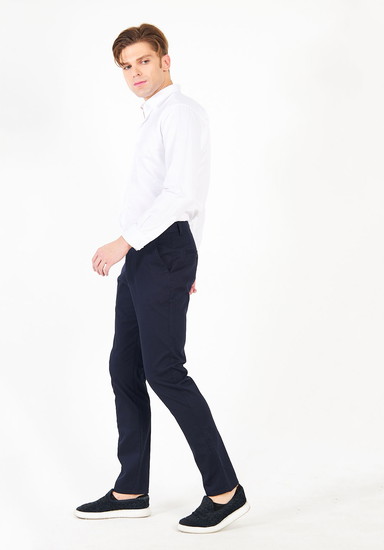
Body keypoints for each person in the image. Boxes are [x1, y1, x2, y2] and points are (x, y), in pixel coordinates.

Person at [74, 23, 250, 534]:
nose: (135, 72)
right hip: (148, 256)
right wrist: (168, 257)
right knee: (124, 368)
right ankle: (131, 489)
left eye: (144, 61)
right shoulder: (154, 116)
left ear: (165, 61)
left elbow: (184, 195)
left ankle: (225, 490)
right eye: (126, 66)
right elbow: (170, 196)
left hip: (155, 249)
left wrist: (127, 244)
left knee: (165, 372)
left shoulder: (182, 113)